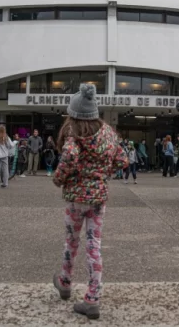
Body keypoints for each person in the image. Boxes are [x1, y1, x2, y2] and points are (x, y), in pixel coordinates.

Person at [51, 83, 127, 320]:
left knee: (71, 242)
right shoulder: (108, 134)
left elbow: (67, 160)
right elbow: (122, 160)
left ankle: (64, 281)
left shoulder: (74, 137)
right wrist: (103, 173)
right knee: (94, 245)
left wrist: (60, 178)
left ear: (73, 114)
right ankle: (92, 298)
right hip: (98, 200)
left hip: (75, 199)